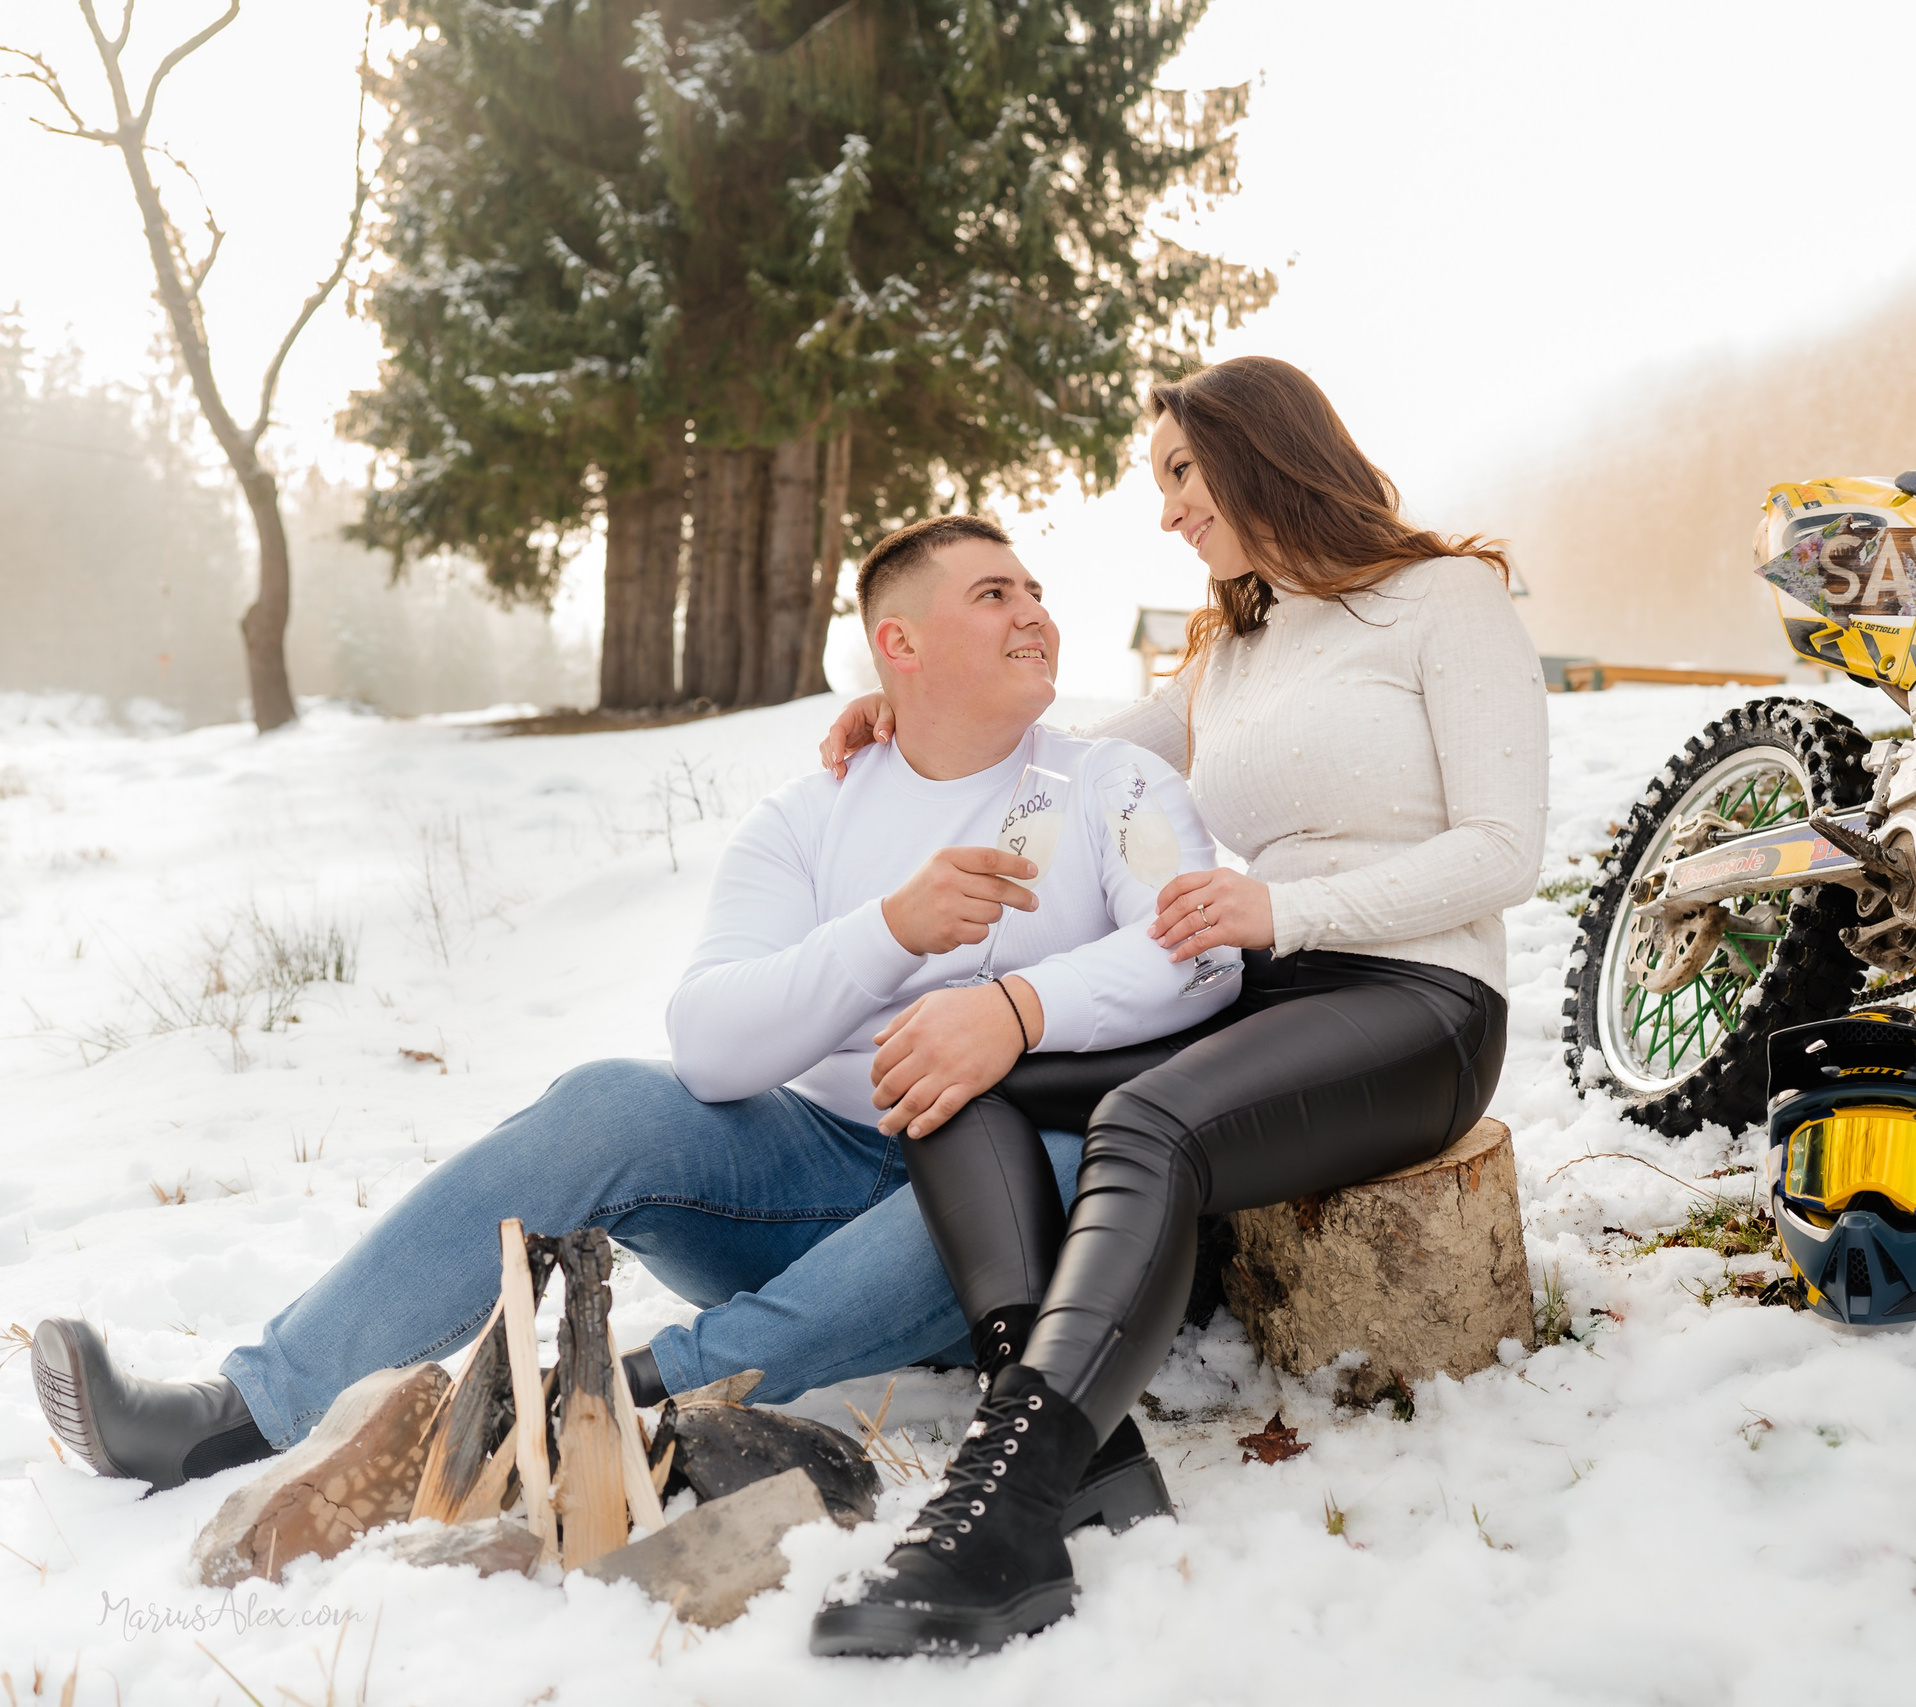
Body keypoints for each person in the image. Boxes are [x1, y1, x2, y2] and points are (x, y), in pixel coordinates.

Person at [30, 516, 1234, 1540]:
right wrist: (890, 933)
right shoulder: (809, 816)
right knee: (613, 1095)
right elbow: (712, 1044)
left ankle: (617, 1400)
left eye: (1033, 589)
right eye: (993, 594)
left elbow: (1202, 959)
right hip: (810, 1186)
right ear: (898, 645)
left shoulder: (1110, 787)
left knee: (1066, 1161)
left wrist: (1015, 1010)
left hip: (1016, 1227)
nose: (1034, 611)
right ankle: (243, 1413)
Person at [805, 356, 1549, 1658]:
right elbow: (1069, 769)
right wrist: (915, 706)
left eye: (1181, 475)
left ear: (1264, 452)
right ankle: (1074, 1446)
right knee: (952, 1058)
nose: (1168, 510)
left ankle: (1008, 1512)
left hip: (1428, 998)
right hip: (1290, 983)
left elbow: (1505, 849)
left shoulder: (1446, 599)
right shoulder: (1232, 647)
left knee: (1150, 1122)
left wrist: (1286, 913)